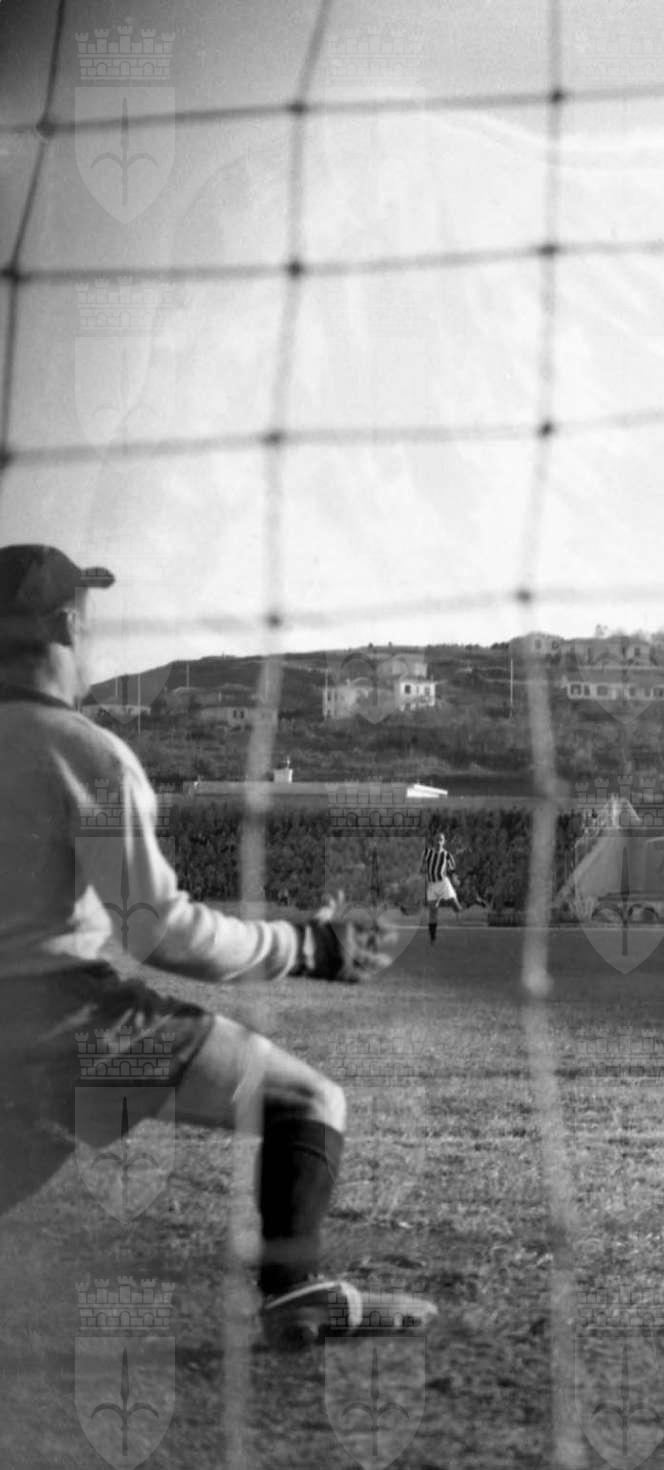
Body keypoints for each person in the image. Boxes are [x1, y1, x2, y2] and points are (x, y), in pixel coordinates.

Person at [0, 544, 434, 1347]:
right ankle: (295, 1290)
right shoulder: (83, 755)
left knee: (32, 1142)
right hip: (75, 1030)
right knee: (307, 1101)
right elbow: (157, 930)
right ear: (65, 624)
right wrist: (305, 945)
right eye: (88, 622)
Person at [421, 831, 463, 945]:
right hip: (432, 885)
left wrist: (455, 879)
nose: (438, 842)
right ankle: (432, 938)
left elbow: (452, 870)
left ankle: (462, 915)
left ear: (444, 842)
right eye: (437, 839)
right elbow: (422, 867)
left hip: (443, 883)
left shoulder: (447, 855)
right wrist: (422, 871)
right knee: (432, 911)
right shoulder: (427, 853)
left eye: (441, 840)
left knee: (456, 906)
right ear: (433, 841)